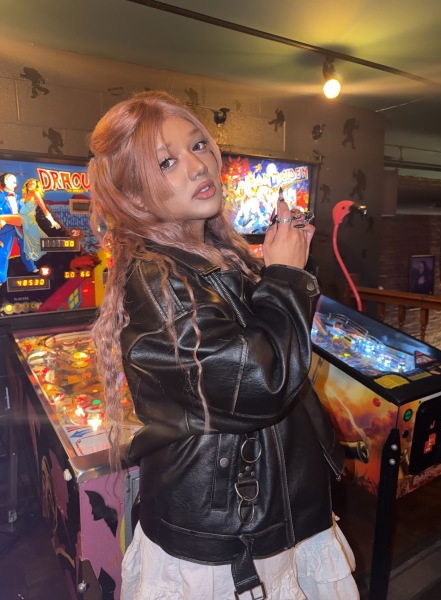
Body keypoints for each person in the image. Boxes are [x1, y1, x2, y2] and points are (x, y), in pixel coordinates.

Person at [88, 91, 359, 600]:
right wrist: (285, 275)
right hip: (227, 534)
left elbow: (267, 344)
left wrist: (286, 268)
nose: (197, 165)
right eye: (166, 162)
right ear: (136, 197)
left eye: (198, 146)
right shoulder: (158, 277)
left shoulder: (211, 253)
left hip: (266, 510)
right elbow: (259, 384)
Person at [18, 178, 61, 261]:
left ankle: (40, 260)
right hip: (22, 220)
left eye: (33, 183)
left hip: (30, 221)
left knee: (35, 240)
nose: (31, 184)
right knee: (26, 242)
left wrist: (52, 221)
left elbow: (44, 209)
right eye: (29, 183)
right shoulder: (24, 195)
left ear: (36, 187)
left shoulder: (36, 194)